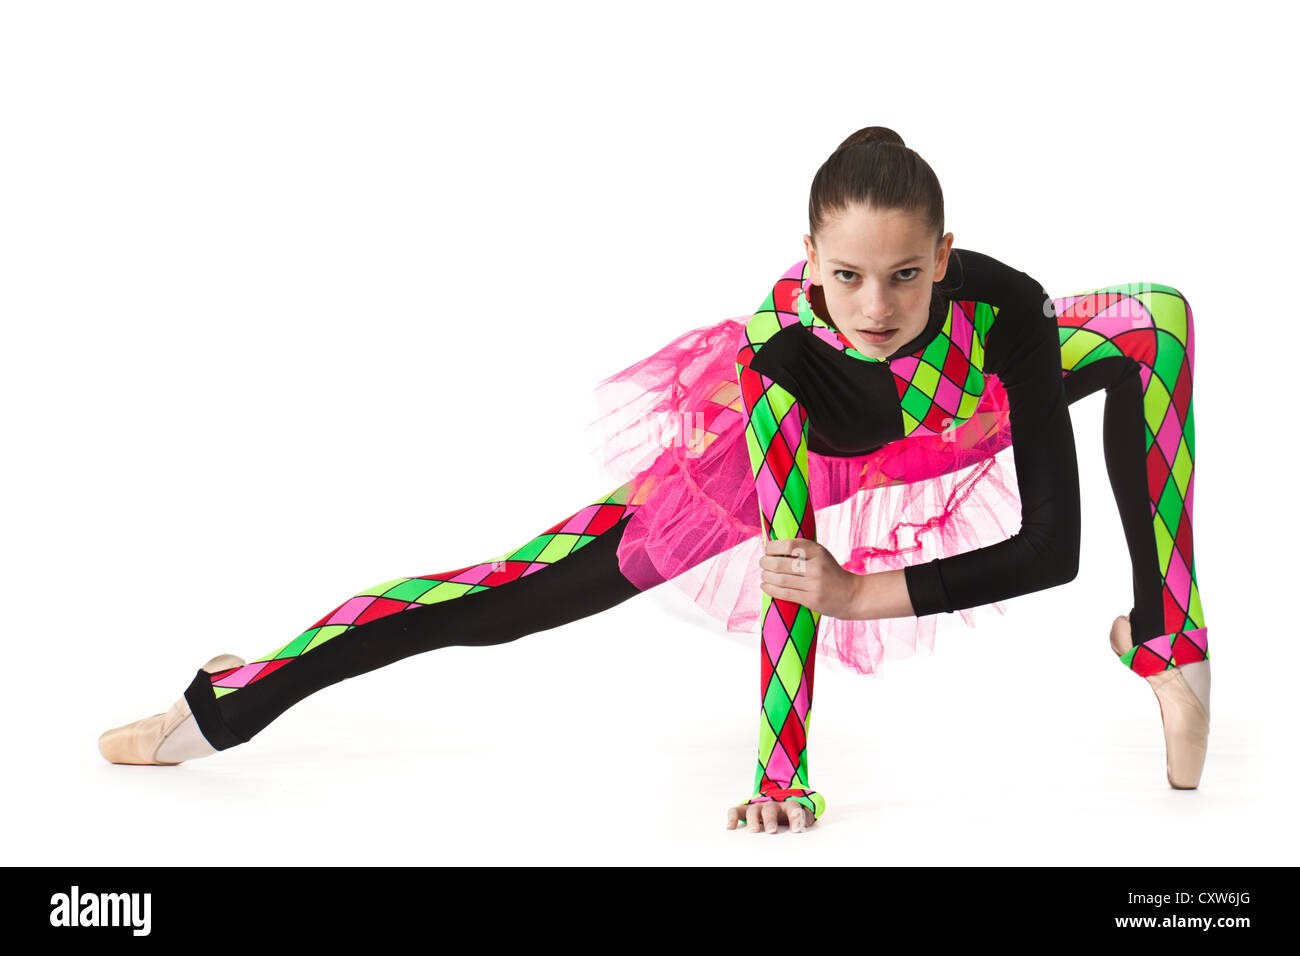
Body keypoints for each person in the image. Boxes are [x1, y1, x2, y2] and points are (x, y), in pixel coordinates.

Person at [98, 126, 1210, 836]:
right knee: (510, 593)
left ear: (947, 253)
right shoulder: (788, 352)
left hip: (955, 416)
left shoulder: (1002, 304)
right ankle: (229, 705)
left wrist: (865, 591)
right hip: (767, 467)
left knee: (1153, 323)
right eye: (848, 277)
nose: (875, 306)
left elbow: (1050, 549)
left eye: (907, 275)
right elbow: (792, 565)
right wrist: (785, 770)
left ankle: (1174, 650)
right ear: (810, 261)